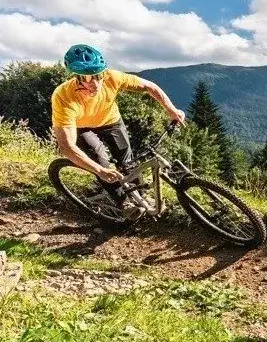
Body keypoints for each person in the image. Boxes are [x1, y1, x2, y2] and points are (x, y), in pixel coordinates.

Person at [50, 44, 187, 219]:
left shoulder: (112, 77)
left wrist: (172, 110)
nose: (95, 83)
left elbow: (149, 86)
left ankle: (142, 198)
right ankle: (124, 203)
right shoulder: (63, 96)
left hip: (110, 120)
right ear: (76, 77)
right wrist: (99, 170)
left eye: (98, 75)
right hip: (80, 126)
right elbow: (67, 146)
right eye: (87, 78)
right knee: (100, 159)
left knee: (127, 161)